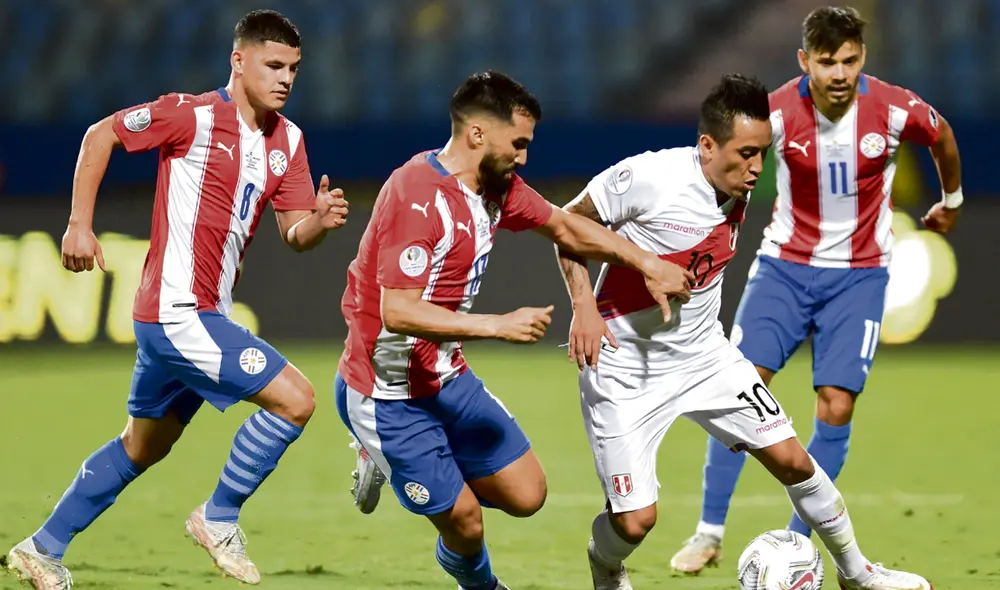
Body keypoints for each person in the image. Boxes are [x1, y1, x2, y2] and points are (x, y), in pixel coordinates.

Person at [4, 10, 348, 589]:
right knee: (297, 400)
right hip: (175, 311)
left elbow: (293, 235)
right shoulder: (189, 115)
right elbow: (101, 134)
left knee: (141, 446)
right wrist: (78, 224)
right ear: (238, 61)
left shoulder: (288, 141)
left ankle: (42, 547)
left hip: (200, 315)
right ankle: (218, 517)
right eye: (273, 65)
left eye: (293, 68)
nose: (286, 78)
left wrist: (319, 221)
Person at [558, 73, 933, 590]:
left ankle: (858, 572)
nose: (758, 169)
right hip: (626, 366)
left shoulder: (736, 183)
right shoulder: (649, 177)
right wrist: (585, 308)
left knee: (794, 460)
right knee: (635, 522)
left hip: (705, 357)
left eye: (764, 155)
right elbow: (566, 226)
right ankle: (606, 564)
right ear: (707, 145)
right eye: (747, 154)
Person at [335, 70, 694, 590]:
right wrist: (497, 325)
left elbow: (566, 226)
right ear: (477, 134)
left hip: (445, 375)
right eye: (518, 143)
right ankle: (478, 581)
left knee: (528, 495)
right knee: (465, 523)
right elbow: (399, 311)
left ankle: (403, 469)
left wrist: (646, 262)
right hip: (386, 391)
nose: (524, 157)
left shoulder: (496, 190)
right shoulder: (415, 194)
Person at [670, 6, 963, 575]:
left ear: (862, 59)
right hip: (784, 267)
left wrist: (950, 201)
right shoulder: (777, 112)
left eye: (849, 60)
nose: (838, 73)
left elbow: (943, 134)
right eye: (826, 61)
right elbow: (724, 160)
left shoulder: (895, 108)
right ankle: (709, 531)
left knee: (836, 404)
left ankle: (796, 539)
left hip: (860, 275)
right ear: (805, 60)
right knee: (740, 391)